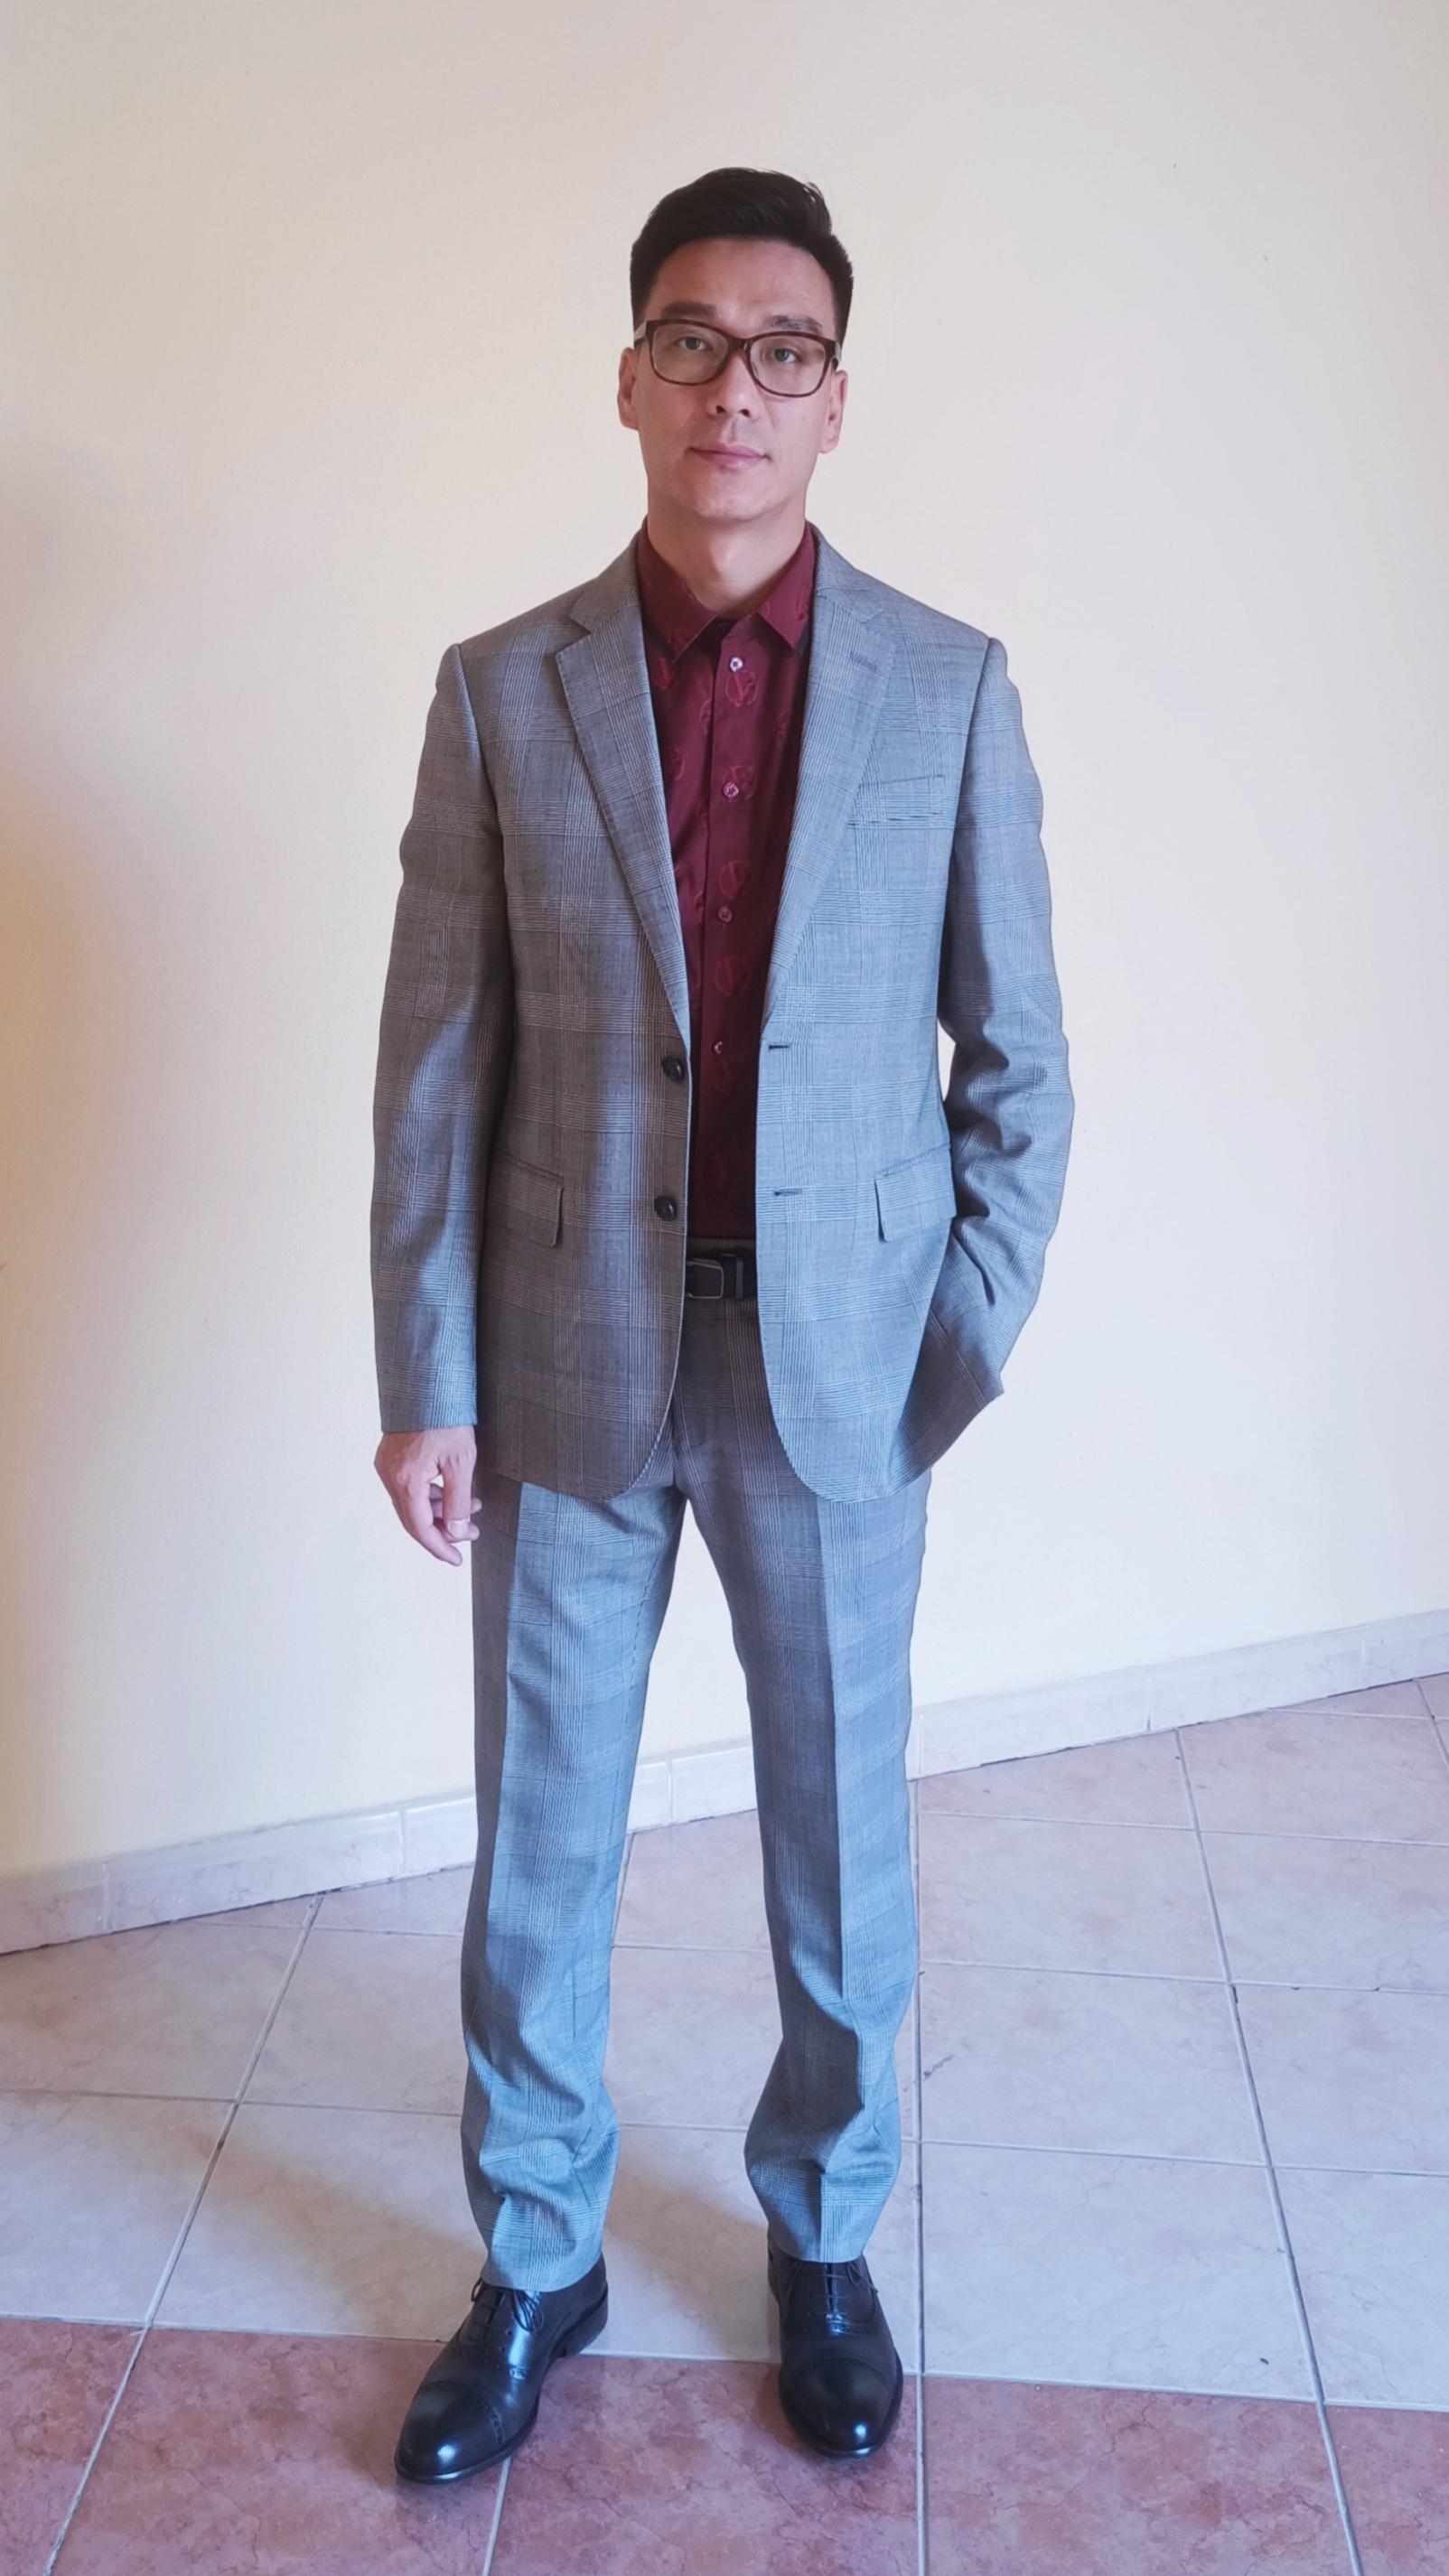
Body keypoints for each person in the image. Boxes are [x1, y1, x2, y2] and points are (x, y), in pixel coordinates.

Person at [369, 164, 1073, 2485]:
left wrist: (952, 1339)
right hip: (566, 1364)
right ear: (629, 379)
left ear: (834, 398)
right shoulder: (503, 691)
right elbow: (437, 1063)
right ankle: (535, 2253)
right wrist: (426, 1380)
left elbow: (1019, 1064)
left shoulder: (947, 688)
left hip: (837, 1376)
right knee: (538, 1849)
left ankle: (825, 2237)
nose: (733, 390)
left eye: (783, 351)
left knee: (840, 1844)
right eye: (692, 341)